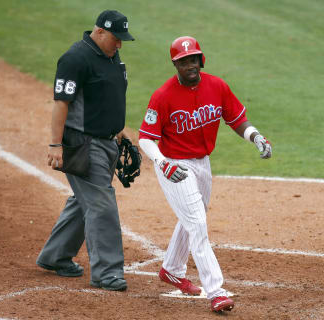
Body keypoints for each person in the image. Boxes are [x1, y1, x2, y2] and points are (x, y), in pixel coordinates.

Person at [138, 36, 272, 312]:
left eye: (194, 59)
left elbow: (235, 118)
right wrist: (163, 163)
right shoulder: (163, 95)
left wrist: (254, 136)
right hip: (174, 166)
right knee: (197, 223)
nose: (191, 65)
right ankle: (216, 291)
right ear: (176, 64)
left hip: (202, 164)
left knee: (193, 217)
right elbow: (145, 138)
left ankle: (172, 269)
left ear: (201, 60)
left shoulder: (217, 86)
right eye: (184, 61)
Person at [36, 10, 135, 292]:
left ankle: (55, 256)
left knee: (85, 201)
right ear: (100, 32)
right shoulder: (75, 58)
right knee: (102, 205)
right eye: (116, 39)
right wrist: (55, 144)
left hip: (108, 143)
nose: (119, 45)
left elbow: (108, 96)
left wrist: (117, 129)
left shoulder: (111, 56)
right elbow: (61, 103)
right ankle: (107, 273)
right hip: (84, 144)